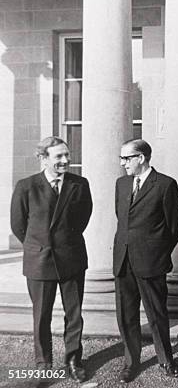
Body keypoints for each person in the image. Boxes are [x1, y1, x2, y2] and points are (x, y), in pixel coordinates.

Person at [10, 137, 92, 382]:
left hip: (72, 257)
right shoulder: (26, 186)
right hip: (39, 260)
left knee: (74, 314)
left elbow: (82, 219)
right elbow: (18, 225)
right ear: (43, 159)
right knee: (41, 316)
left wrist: (63, 242)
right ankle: (43, 364)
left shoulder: (80, 184)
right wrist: (39, 246)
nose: (65, 160)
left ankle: (73, 361)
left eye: (67, 155)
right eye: (58, 156)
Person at [113, 139, 178, 382]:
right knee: (126, 315)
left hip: (151, 262)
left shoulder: (165, 185)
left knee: (156, 314)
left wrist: (159, 253)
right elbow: (123, 221)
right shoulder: (121, 184)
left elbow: (175, 225)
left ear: (140, 158)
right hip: (123, 260)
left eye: (126, 158)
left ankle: (166, 359)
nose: (122, 164)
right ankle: (131, 363)